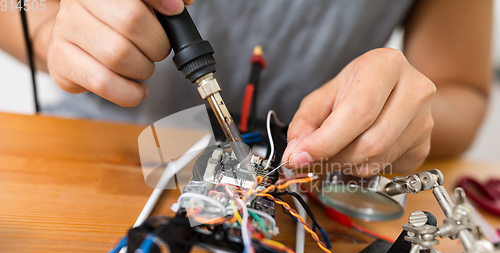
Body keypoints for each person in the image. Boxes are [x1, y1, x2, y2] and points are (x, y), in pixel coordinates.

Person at [0, 0, 492, 177]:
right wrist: (50, 29)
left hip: (306, 179)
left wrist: (396, 117)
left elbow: (461, 92)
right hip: (100, 162)